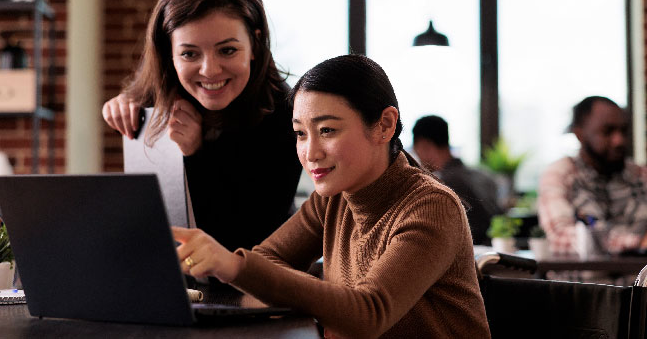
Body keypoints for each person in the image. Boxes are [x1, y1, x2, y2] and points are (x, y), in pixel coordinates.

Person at [172, 55, 491, 338]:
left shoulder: (433, 206)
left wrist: (234, 266)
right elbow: (268, 259)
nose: (310, 153)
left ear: (384, 125)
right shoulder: (334, 197)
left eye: (327, 130)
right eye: (300, 133)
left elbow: (370, 313)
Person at [102, 0, 302, 251]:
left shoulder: (287, 116)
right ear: (168, 54)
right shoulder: (157, 99)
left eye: (228, 50)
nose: (209, 70)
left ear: (255, 44)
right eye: (189, 53)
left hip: (257, 281)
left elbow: (244, 242)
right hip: (175, 279)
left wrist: (196, 154)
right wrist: (124, 105)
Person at [538, 95, 647, 255]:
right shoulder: (560, 174)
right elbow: (560, 237)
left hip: (641, 287)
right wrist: (639, 242)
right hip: (584, 289)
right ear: (579, 134)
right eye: (607, 132)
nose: (619, 140)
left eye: (623, 131)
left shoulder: (641, 175)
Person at [412, 115, 501, 245]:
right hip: (493, 254)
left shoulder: (443, 183)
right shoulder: (480, 174)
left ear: (425, 146)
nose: (418, 159)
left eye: (417, 152)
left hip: (472, 257)